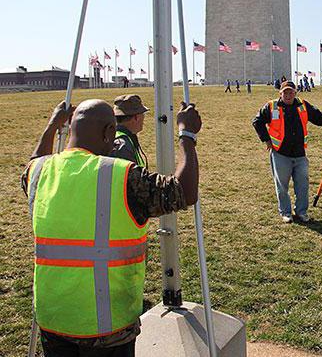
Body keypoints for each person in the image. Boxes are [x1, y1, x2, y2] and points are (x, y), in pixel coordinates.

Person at [21, 99, 202, 356]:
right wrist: (187, 135)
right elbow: (183, 192)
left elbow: (35, 159)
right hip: (107, 327)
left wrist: (52, 125)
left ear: (70, 128)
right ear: (109, 132)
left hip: (53, 321)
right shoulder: (122, 176)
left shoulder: (38, 172)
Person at [252, 81, 322, 223]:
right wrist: (266, 140)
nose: (288, 95)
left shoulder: (303, 105)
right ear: (280, 93)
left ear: (296, 93)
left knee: (302, 184)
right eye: (285, 92)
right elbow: (257, 121)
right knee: (282, 186)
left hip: (300, 154)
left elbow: (318, 117)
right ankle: (286, 212)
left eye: (291, 92)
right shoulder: (271, 106)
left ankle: (301, 212)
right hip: (280, 153)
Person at [111, 94, 149, 167]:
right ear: (136, 117)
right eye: (143, 114)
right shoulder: (122, 146)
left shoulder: (117, 136)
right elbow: (132, 177)